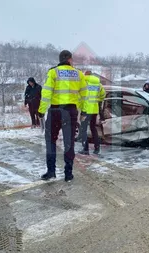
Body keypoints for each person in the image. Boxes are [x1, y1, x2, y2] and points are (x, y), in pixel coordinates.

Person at [38, 50, 88, 182]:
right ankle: (68, 174)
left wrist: (41, 110)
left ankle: (51, 171)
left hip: (55, 111)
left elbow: (46, 93)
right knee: (69, 142)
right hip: (70, 111)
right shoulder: (78, 74)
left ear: (60, 60)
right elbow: (84, 95)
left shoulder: (53, 72)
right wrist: (84, 111)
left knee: (50, 141)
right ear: (70, 60)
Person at [78, 71, 106, 155]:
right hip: (94, 110)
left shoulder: (83, 83)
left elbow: (80, 96)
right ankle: (97, 148)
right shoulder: (98, 84)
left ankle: (85, 149)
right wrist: (98, 100)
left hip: (85, 110)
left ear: (85, 75)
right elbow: (103, 94)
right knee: (93, 128)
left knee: (83, 129)